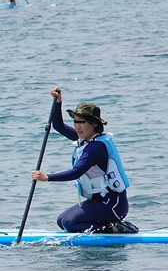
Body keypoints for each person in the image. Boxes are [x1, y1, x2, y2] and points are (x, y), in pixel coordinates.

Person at [30, 87, 137, 234]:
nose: (78, 126)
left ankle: (114, 228)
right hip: (98, 202)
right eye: (75, 121)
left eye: (82, 122)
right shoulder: (84, 139)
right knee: (61, 221)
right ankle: (109, 225)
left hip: (113, 205)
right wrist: (58, 102)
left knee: (70, 223)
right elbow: (58, 126)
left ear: (94, 124)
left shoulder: (96, 147)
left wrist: (47, 177)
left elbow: (77, 172)